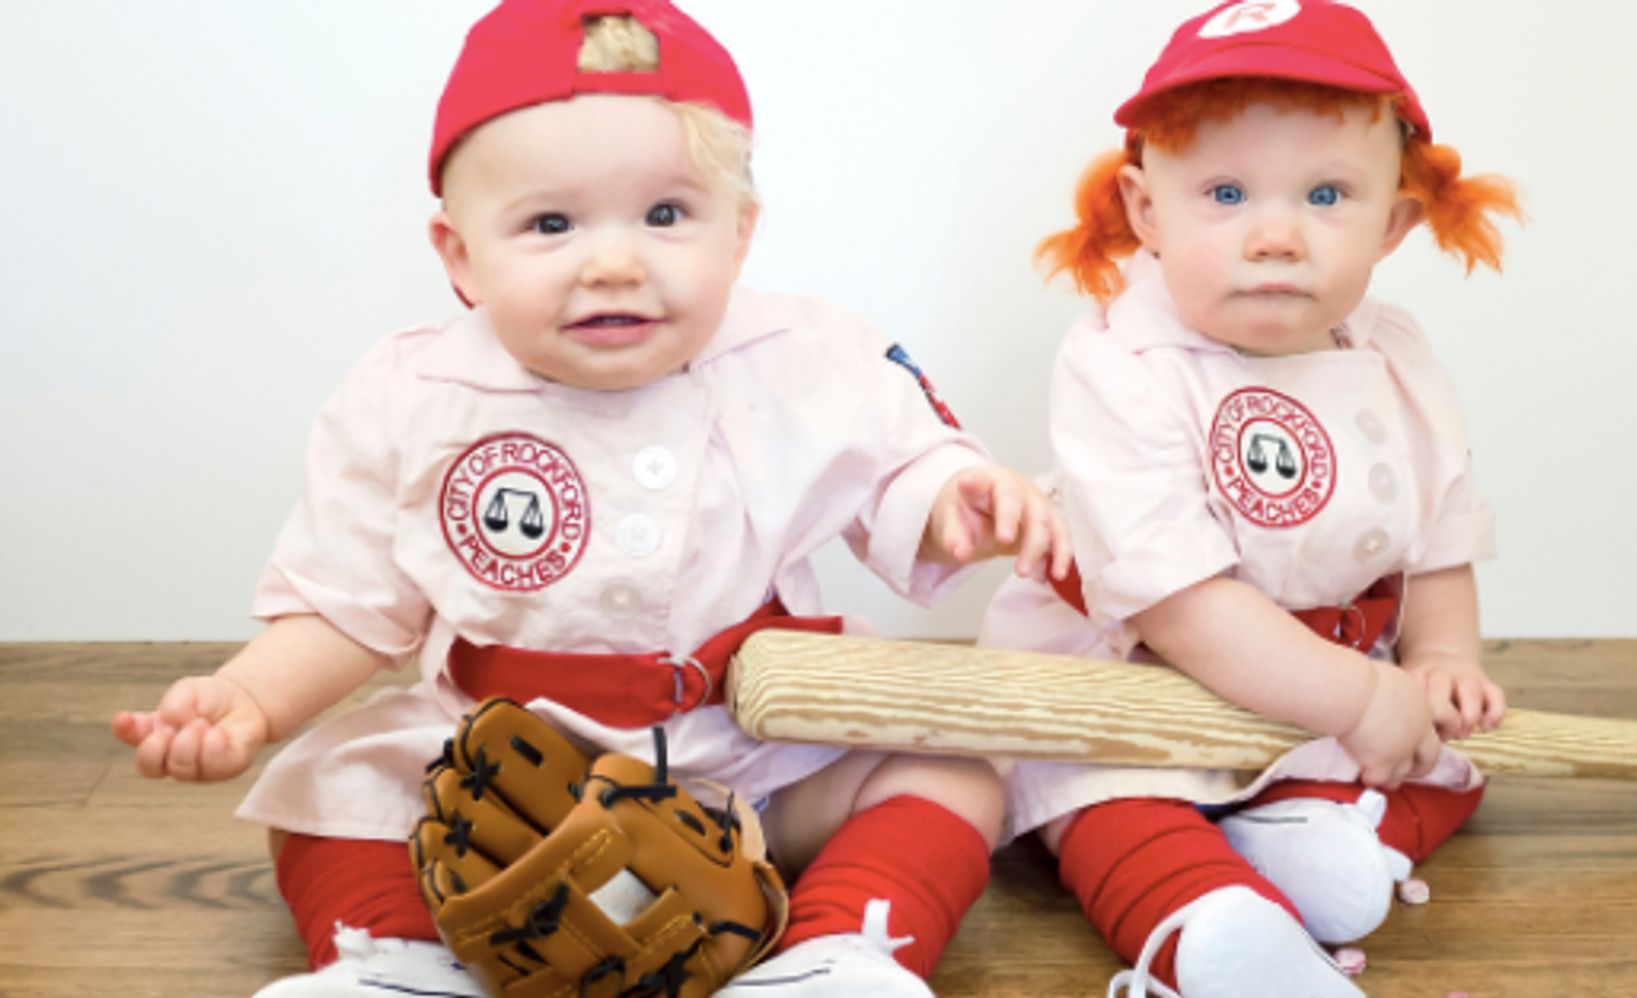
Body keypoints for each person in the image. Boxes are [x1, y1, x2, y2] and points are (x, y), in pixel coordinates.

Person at [110, 3, 1067, 996]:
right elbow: (348, 602)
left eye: (664, 215)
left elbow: (896, 464)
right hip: (494, 770)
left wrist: (956, 497)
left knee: (952, 771)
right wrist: (249, 699)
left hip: (752, 750)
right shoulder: (410, 394)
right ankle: (393, 963)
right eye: (549, 223)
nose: (612, 261)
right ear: (459, 255)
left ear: (738, 234)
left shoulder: (804, 357)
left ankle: (839, 952)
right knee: (330, 792)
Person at [976, 2, 1523, 994]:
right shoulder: (1122, 361)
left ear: (1392, 222)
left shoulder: (1394, 353)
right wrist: (1357, 699)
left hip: (1324, 680)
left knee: (1454, 759)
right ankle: (1211, 927)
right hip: (1142, 673)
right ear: (1147, 212)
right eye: (1224, 192)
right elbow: (1181, 604)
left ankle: (1314, 828)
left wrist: (1438, 657)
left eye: (1324, 195)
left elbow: (1435, 538)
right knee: (1106, 802)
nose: (1274, 236)